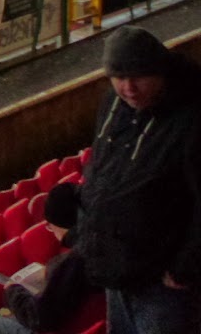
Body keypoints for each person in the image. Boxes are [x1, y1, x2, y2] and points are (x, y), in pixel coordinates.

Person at [75, 25, 201, 334]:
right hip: (117, 270)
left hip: (163, 285)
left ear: (160, 71)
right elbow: (101, 169)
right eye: (119, 77)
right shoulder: (113, 103)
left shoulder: (193, 118)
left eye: (138, 77)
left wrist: (185, 267)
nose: (128, 87)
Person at [0, 183, 92, 334]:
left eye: (49, 225)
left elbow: (40, 319)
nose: (50, 229)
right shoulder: (102, 240)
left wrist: (12, 291)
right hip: (92, 324)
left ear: (60, 223)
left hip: (60, 326)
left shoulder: (73, 264)